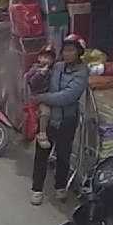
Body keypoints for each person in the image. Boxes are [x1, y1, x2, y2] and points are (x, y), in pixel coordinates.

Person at [30, 33, 89, 206]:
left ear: (79, 52)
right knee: (41, 155)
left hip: (67, 120)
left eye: (71, 50)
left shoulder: (82, 72)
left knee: (63, 155)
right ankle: (37, 189)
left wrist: (42, 98)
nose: (67, 54)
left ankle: (60, 186)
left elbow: (67, 97)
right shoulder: (57, 66)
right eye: (65, 50)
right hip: (48, 119)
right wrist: (38, 75)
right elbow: (37, 82)